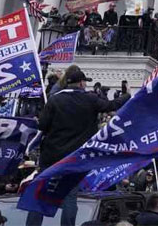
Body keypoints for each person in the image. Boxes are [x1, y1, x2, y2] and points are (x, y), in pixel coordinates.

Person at [26, 66, 130, 226]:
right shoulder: (89, 99)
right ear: (81, 83)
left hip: (51, 155)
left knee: (40, 194)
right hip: (75, 157)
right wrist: (126, 95)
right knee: (69, 196)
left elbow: (43, 127)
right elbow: (112, 105)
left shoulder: (54, 99)